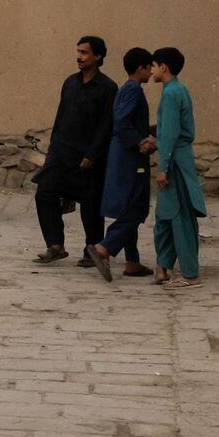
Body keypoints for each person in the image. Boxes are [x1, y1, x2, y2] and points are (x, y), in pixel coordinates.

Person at [32, 37, 117, 265]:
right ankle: (55, 245)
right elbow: (61, 118)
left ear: (98, 56)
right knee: (45, 193)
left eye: (85, 52)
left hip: (87, 157)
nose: (79, 56)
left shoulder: (108, 87)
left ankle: (92, 251)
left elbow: (106, 125)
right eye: (78, 51)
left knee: (90, 205)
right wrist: (52, 149)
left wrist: (92, 154)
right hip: (61, 154)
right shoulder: (70, 82)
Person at [88, 48, 159, 283]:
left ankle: (132, 262)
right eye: (149, 67)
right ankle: (103, 248)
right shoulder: (133, 90)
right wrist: (140, 141)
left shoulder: (125, 89)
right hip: (131, 160)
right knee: (137, 209)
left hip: (124, 157)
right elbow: (121, 121)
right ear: (141, 68)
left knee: (131, 206)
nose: (151, 72)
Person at [150, 47, 206, 291]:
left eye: (154, 65)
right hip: (174, 159)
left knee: (180, 217)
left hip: (175, 164)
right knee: (165, 216)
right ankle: (163, 266)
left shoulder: (173, 93)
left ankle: (191, 274)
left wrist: (163, 167)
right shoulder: (174, 90)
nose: (151, 69)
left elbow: (171, 134)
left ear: (164, 67)